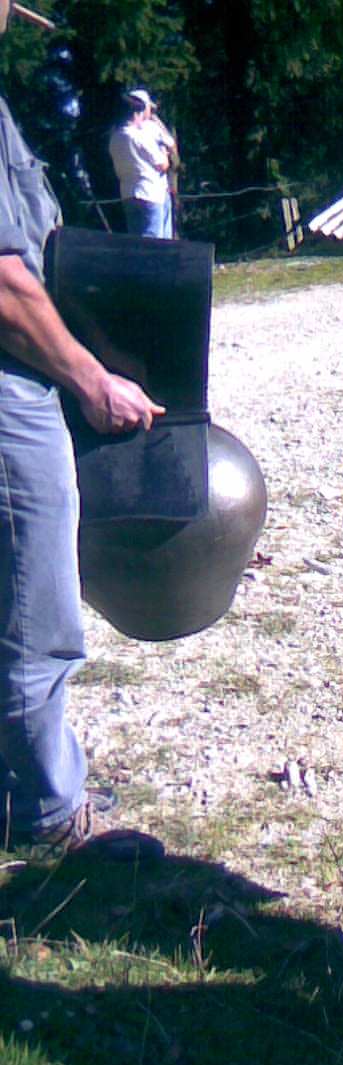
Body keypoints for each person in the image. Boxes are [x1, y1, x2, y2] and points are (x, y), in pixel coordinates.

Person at [0, 0, 165, 857]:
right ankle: (49, 816)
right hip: (8, 396)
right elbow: (4, 285)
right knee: (37, 605)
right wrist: (90, 378)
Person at [108, 87, 175, 239]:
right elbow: (162, 164)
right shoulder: (138, 137)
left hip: (127, 193)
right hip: (149, 193)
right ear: (136, 114)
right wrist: (164, 153)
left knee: (135, 242)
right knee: (153, 243)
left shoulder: (114, 138)